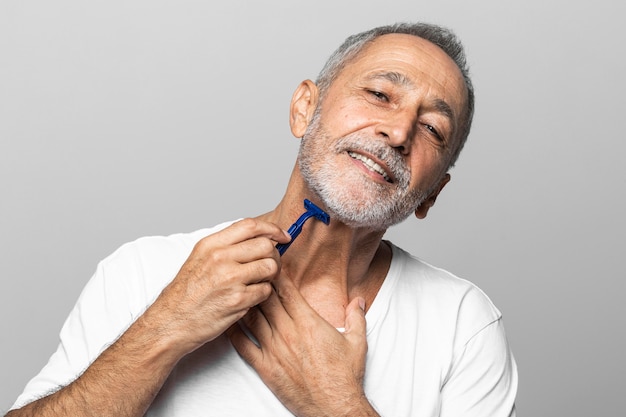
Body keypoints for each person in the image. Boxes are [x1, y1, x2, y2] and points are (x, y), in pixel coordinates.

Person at [6, 22, 517, 417]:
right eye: (380, 94)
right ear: (304, 109)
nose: (399, 131)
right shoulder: (141, 272)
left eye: (431, 128)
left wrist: (335, 404)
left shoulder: (464, 328)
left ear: (431, 194)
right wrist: (164, 328)